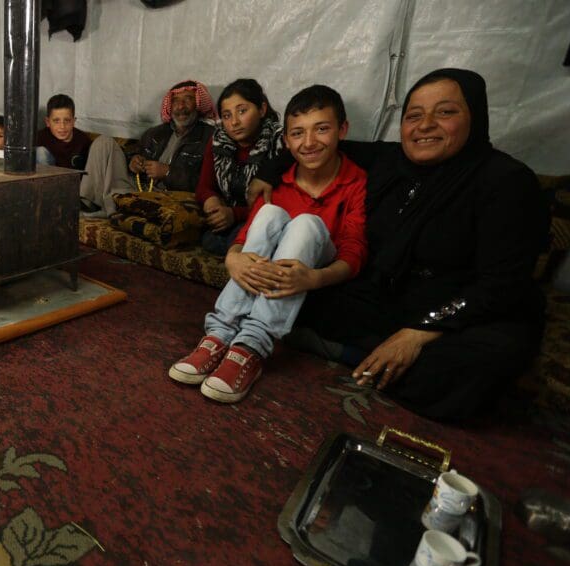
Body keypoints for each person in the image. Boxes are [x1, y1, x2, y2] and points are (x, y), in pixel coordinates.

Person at [278, 69, 549, 422]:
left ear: (476, 117)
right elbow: (305, 149)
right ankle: (358, 352)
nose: (425, 125)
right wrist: (264, 179)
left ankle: (350, 351)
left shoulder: (506, 182)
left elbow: (501, 285)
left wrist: (416, 334)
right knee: (301, 287)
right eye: (414, 115)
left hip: (462, 309)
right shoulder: (391, 162)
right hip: (387, 294)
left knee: (486, 360)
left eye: (446, 112)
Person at [168, 85, 367, 404]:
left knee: (305, 223)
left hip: (317, 266)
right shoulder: (275, 181)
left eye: (322, 129)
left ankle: (252, 346)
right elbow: (248, 235)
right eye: (298, 134)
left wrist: (314, 278)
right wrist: (233, 257)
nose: (310, 142)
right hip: (272, 265)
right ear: (287, 142)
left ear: (342, 130)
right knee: (272, 213)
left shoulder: (357, 181)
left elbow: (354, 252)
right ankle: (219, 334)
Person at [79, 79, 216, 217]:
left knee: (122, 198)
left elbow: (209, 183)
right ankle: (88, 205)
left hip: (167, 198)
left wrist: (168, 173)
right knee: (103, 142)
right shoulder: (155, 133)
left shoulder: (210, 137)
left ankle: (113, 210)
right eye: (175, 101)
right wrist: (132, 161)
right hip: (138, 188)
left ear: (198, 104)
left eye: (188, 99)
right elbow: (132, 153)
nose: (180, 106)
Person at [195, 79, 285, 256]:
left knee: (240, 237)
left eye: (242, 111)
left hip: (265, 218)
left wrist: (235, 214)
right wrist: (211, 201)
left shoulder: (281, 142)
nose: (234, 122)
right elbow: (205, 185)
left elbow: (279, 201)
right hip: (232, 216)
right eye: (227, 116)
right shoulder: (219, 140)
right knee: (209, 239)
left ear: (262, 109)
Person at [35, 93, 92, 169]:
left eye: (67, 120)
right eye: (56, 121)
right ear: (48, 122)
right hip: (49, 179)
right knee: (40, 152)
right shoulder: (39, 138)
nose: (62, 126)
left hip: (75, 179)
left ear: (73, 121)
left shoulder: (83, 141)